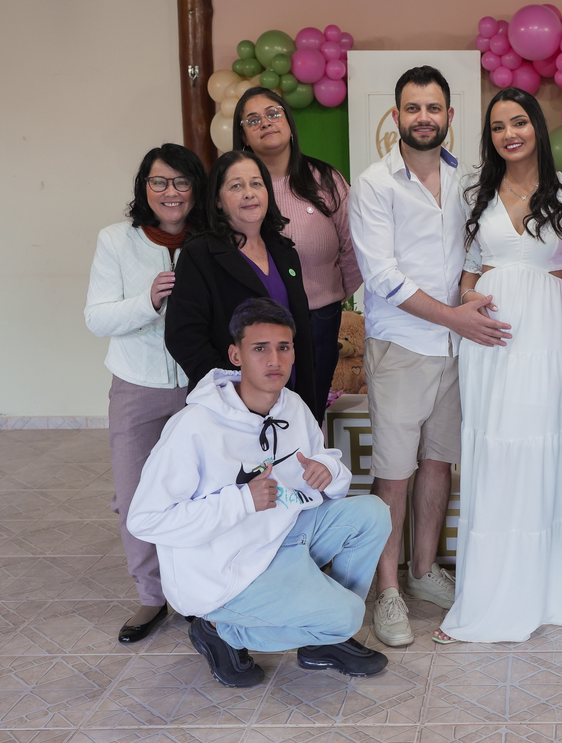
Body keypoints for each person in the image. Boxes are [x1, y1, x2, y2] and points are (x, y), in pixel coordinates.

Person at [128, 298, 391, 687]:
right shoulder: (193, 426)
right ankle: (220, 629)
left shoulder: (291, 405)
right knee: (348, 615)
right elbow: (145, 520)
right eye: (260, 348)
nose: (274, 360)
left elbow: (322, 461)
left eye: (284, 347)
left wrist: (328, 470)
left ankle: (322, 636)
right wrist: (241, 501)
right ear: (236, 355)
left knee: (372, 513)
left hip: (280, 539)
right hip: (226, 572)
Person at [348, 66, 510, 647]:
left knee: (439, 464)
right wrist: (453, 316)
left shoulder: (467, 181)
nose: (423, 118)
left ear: (449, 115)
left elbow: (475, 252)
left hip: (456, 350)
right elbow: (382, 276)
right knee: (394, 475)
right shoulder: (374, 184)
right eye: (413, 108)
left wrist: (470, 299)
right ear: (396, 116)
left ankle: (421, 571)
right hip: (402, 347)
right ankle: (388, 590)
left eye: (433, 108)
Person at [435, 88, 562, 643]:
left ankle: (554, 594)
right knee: (497, 452)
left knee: (546, 445)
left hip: (550, 332)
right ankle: (491, 596)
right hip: (490, 334)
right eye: (499, 126)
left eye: (520, 122)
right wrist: (466, 306)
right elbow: (468, 266)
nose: (510, 133)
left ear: (537, 127)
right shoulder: (473, 189)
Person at [85, 143, 208, 643]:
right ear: (144, 188)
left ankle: (197, 591)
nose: (170, 192)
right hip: (136, 385)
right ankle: (152, 596)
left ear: (196, 189)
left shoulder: (210, 240)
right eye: (159, 182)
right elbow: (97, 318)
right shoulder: (116, 240)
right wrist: (147, 300)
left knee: (201, 493)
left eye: (181, 182)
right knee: (135, 495)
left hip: (200, 388)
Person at [231, 87, 362, 421]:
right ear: (243, 136)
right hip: (254, 322)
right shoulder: (234, 189)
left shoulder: (327, 180)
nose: (265, 123)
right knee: (257, 416)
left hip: (319, 319)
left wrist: (330, 294)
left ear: (289, 122)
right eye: (253, 120)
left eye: (273, 113)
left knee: (308, 413)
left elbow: (354, 249)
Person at [165, 150, 316, 410]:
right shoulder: (199, 254)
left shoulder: (285, 252)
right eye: (236, 186)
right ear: (217, 201)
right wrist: (233, 388)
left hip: (289, 395)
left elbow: (300, 332)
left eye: (256, 184)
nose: (249, 193)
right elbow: (183, 336)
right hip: (229, 400)